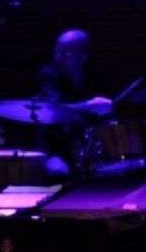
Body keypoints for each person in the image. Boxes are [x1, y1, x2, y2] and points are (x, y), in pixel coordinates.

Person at [33, 29, 112, 180]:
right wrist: (88, 105)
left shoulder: (94, 77)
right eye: (58, 49)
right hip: (56, 147)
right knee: (59, 173)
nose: (59, 55)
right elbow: (53, 111)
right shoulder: (47, 76)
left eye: (67, 50)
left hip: (89, 146)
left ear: (84, 55)